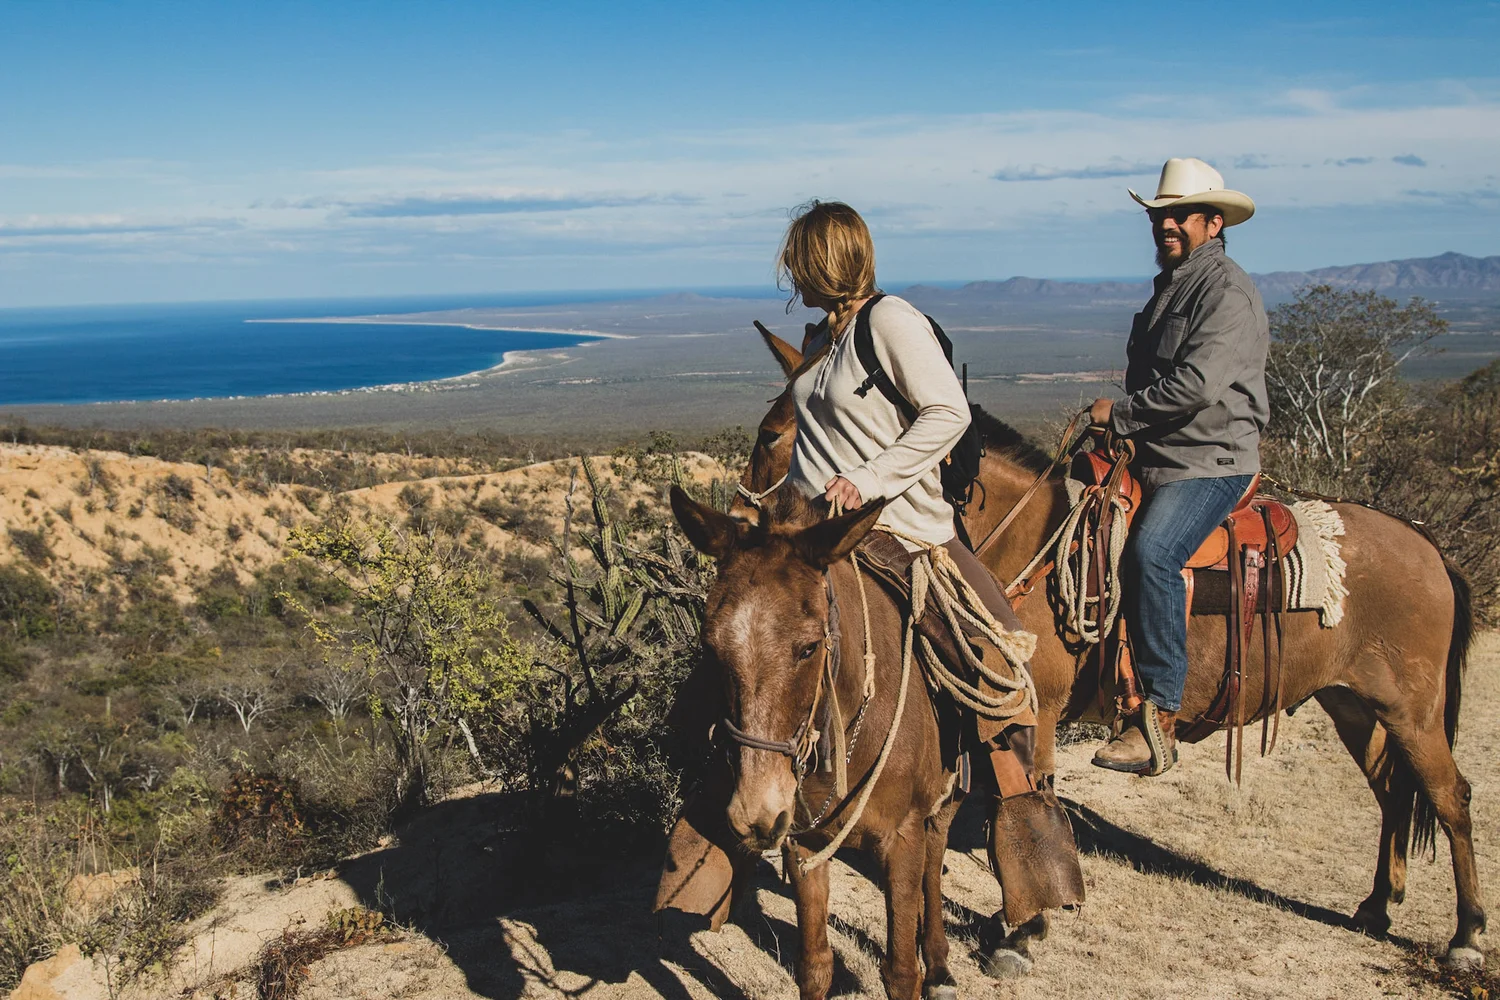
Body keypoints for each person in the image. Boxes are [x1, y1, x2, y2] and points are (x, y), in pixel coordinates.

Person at [655, 200, 1082, 937]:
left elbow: (947, 412)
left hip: (909, 530)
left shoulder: (891, 322)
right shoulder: (826, 337)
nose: (790, 276)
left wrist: (875, 476)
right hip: (818, 535)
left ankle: (1024, 852)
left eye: (797, 262)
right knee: (735, 663)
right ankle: (710, 851)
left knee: (1003, 664)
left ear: (824, 260)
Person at [1089, 158, 1270, 776]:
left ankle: (1159, 714)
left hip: (1209, 460)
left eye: (1178, 215)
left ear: (1213, 222)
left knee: (1153, 554)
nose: (1165, 224)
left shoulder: (1226, 292)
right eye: (1159, 215)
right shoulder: (1172, 284)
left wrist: (1121, 414)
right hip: (1160, 453)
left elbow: (1196, 385)